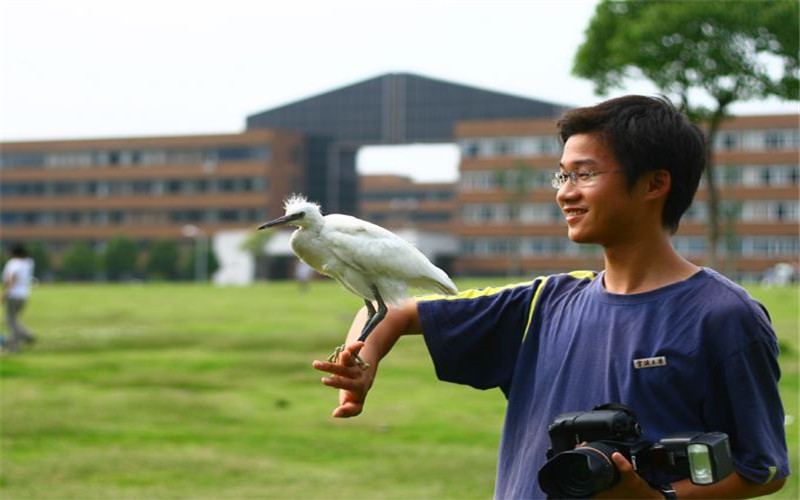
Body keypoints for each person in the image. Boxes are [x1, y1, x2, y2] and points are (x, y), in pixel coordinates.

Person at [312, 96, 789, 499]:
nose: (565, 194)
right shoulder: (544, 302)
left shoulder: (723, 316)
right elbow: (395, 310)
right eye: (561, 176)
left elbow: (762, 468)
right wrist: (363, 359)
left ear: (654, 184)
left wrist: (653, 498)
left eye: (584, 175)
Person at [2, 243, 37, 352]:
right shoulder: (28, 263)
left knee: (10, 321)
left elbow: (12, 278)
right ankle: (26, 335)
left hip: (13, 294)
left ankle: (17, 344)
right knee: (13, 320)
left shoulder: (13, 263)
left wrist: (5, 293)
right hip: (24, 294)